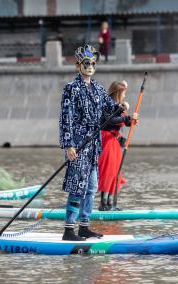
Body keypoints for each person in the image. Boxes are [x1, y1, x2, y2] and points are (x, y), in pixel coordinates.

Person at [59, 44, 129, 241]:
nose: (90, 66)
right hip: (79, 144)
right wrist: (69, 145)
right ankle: (68, 229)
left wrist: (122, 111)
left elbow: (109, 112)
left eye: (93, 63)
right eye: (86, 63)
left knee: (91, 187)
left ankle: (84, 226)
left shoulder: (98, 88)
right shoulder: (71, 89)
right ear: (78, 66)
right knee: (77, 186)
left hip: (94, 146)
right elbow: (66, 118)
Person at [97, 81, 138, 211]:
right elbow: (109, 120)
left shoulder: (119, 106)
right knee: (108, 171)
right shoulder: (108, 103)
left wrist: (131, 120)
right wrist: (126, 117)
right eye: (124, 93)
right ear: (119, 92)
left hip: (114, 140)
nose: (125, 95)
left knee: (115, 172)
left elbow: (122, 121)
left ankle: (110, 203)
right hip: (106, 139)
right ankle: (103, 204)